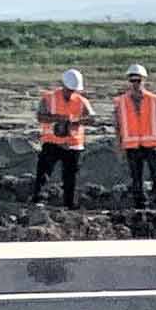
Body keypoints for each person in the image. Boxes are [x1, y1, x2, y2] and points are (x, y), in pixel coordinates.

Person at [114, 65, 156, 209]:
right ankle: (140, 205)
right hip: (132, 146)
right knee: (136, 179)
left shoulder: (155, 100)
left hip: (152, 145)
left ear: (144, 80)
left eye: (138, 80)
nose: (135, 84)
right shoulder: (120, 102)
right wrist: (119, 149)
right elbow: (118, 127)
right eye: (132, 80)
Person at [31, 68, 91, 207]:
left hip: (73, 144)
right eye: (69, 89)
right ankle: (39, 199)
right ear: (63, 85)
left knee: (71, 177)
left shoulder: (81, 101)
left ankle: (70, 204)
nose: (71, 92)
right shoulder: (49, 98)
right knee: (44, 173)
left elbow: (91, 119)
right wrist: (56, 118)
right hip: (52, 141)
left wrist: (75, 122)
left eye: (73, 90)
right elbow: (40, 116)